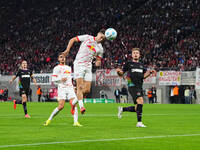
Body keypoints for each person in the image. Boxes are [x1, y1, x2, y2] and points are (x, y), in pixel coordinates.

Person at [63, 29, 106, 114]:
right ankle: (82, 107)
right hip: (79, 64)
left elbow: (98, 60)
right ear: (98, 34)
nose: (101, 39)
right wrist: (67, 49)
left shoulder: (100, 48)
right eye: (101, 37)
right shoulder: (87, 37)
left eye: (103, 39)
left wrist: (98, 62)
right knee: (80, 87)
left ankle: (74, 102)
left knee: (86, 90)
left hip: (88, 67)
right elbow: (73, 39)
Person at [116, 48, 156, 127]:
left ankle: (122, 109)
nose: (135, 54)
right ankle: (139, 123)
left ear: (139, 55)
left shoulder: (141, 65)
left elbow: (144, 76)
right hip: (132, 85)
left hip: (139, 86)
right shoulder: (128, 64)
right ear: (132, 55)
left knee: (137, 107)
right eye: (134, 53)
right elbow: (122, 74)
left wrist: (150, 72)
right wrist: (118, 72)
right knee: (140, 101)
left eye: (137, 53)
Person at [44, 53, 82, 127]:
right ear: (58, 59)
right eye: (61, 57)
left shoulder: (68, 68)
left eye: (64, 57)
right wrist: (60, 79)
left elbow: (70, 78)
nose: (63, 58)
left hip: (70, 88)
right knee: (61, 106)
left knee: (74, 103)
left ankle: (76, 122)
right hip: (62, 88)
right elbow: (53, 79)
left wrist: (73, 87)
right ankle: (49, 119)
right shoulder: (56, 68)